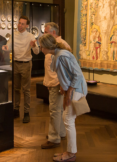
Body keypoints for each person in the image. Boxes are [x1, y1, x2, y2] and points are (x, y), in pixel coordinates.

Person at [39, 34, 87, 162]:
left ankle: (71, 153)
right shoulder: (58, 54)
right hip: (73, 88)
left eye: (41, 46)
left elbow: (77, 75)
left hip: (76, 88)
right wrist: (63, 88)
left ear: (46, 47)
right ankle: (69, 151)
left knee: (68, 119)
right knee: (67, 119)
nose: (40, 49)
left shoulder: (62, 55)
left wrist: (69, 92)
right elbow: (66, 74)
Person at [2, 16, 39, 123]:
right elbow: (8, 47)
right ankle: (16, 109)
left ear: (27, 26)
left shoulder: (30, 36)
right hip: (15, 63)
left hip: (26, 64)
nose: (20, 25)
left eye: (22, 24)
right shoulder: (14, 35)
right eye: (19, 23)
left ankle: (26, 112)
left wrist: (34, 45)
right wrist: (2, 47)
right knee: (16, 88)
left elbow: (36, 52)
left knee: (26, 90)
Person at [41, 22, 71, 149]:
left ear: (53, 32)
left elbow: (64, 67)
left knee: (54, 110)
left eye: (46, 32)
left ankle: (54, 138)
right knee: (58, 109)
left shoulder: (61, 45)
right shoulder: (55, 44)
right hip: (54, 82)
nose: (44, 34)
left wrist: (60, 84)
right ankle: (61, 132)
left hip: (57, 83)